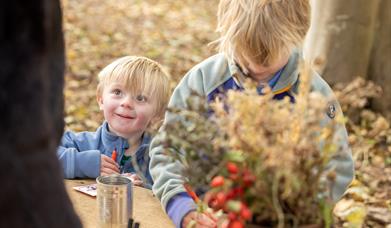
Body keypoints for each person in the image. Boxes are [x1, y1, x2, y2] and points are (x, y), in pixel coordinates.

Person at [149, 0, 354, 227]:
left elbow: (337, 166)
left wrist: (298, 211)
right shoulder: (204, 81)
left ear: (297, 35)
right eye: (245, 57)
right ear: (226, 33)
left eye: (268, 57)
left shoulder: (314, 96)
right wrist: (181, 205)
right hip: (207, 214)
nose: (256, 68)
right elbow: (168, 149)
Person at [57, 56, 170, 189]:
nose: (126, 103)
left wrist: (144, 189)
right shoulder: (82, 144)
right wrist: (82, 163)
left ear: (157, 114)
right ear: (101, 100)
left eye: (140, 98)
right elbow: (36, 158)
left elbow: (187, 192)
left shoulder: (161, 157)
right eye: (117, 92)